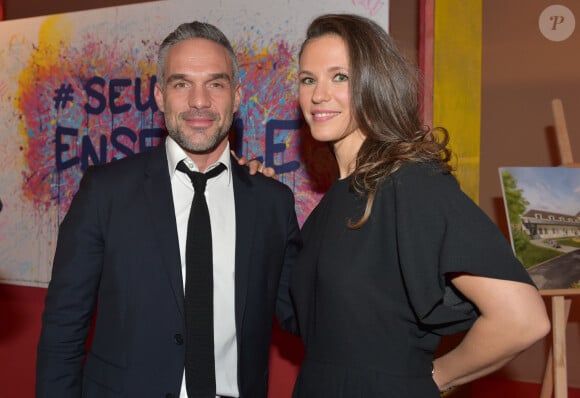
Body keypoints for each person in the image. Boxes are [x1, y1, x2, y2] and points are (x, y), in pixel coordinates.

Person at [288, 13, 550, 397]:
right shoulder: (338, 197)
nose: (318, 94)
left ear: (374, 84)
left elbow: (522, 319)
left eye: (340, 76)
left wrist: (437, 377)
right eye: (308, 79)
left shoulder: (410, 183)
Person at [36, 21, 301, 398]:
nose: (199, 101)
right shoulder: (105, 192)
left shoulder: (272, 202)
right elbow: (63, 331)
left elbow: (307, 313)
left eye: (216, 83)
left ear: (237, 96)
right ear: (160, 96)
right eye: (181, 84)